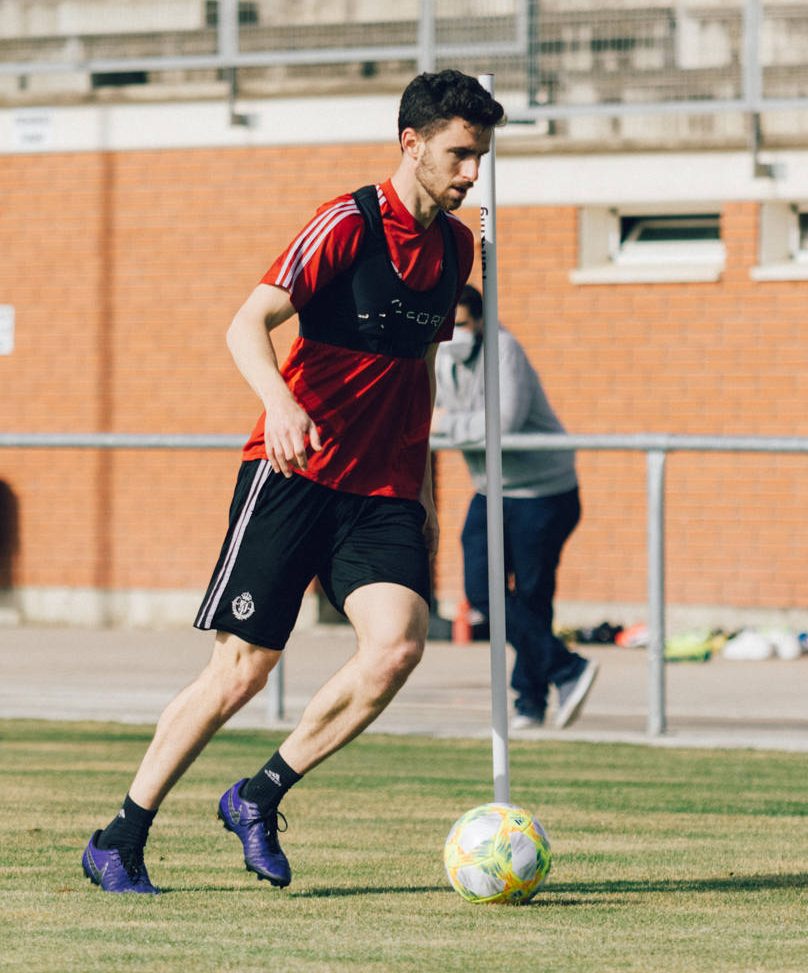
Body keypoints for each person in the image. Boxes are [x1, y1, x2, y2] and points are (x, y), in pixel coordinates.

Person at [81, 70, 505, 895]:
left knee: (396, 646)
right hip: (293, 472)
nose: (470, 175)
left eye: (481, 159)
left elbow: (416, 368)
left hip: (381, 489)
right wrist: (277, 402)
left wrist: (418, 485)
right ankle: (120, 837)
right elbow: (247, 323)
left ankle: (258, 794)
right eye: (459, 155)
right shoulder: (346, 222)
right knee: (242, 670)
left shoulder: (460, 247)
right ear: (410, 143)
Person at [433, 285, 598, 732]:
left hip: (543, 492)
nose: (456, 335)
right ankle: (566, 670)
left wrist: (446, 426)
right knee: (481, 590)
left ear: (481, 321)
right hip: (491, 491)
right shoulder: (440, 358)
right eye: (451, 326)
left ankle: (530, 699)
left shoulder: (504, 350)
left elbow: (502, 423)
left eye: (464, 326)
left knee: (531, 596)